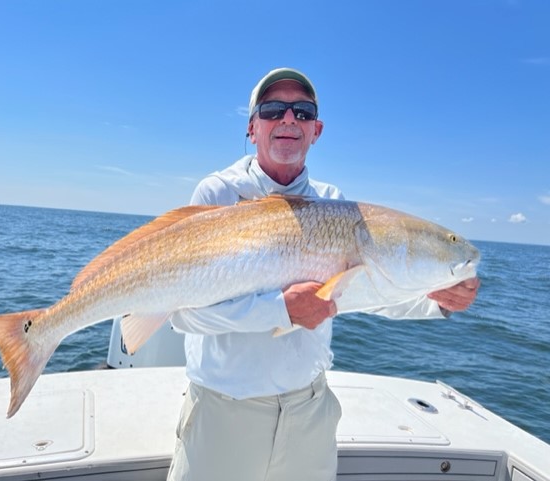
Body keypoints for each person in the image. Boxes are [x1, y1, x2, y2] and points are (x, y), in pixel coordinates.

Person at [167, 67, 480, 481]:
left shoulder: (334, 205)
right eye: (273, 109)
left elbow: (368, 291)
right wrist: (282, 311)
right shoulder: (218, 195)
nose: (288, 119)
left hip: (310, 412)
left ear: (317, 130)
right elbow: (184, 313)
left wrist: (438, 300)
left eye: (302, 111)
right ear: (252, 128)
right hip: (224, 412)